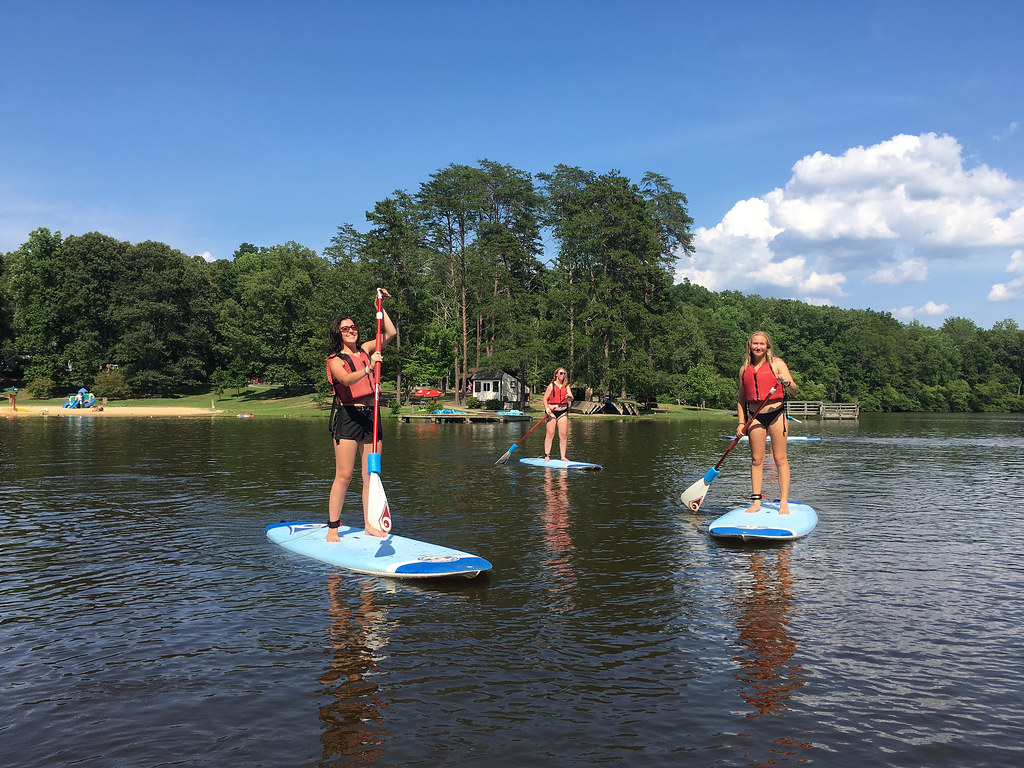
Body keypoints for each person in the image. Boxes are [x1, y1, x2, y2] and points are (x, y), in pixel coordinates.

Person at [325, 289, 397, 540]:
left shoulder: (366, 347)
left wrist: (379, 305)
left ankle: (370, 524)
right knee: (344, 475)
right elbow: (345, 379)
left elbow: (391, 332)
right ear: (338, 333)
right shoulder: (336, 359)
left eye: (353, 327)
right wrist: (369, 367)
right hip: (349, 416)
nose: (351, 330)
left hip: (371, 415)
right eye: (346, 328)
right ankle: (333, 527)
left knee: (371, 474)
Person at [736, 331, 797, 515]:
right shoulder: (744, 369)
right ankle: (756, 502)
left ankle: (784, 503)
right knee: (756, 460)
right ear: (750, 345)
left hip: (776, 414)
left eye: (762, 344)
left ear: (767, 346)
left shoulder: (777, 364)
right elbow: (741, 399)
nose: (758, 347)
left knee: (780, 459)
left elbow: (793, 390)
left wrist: (787, 383)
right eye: (755, 343)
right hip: (754, 416)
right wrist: (741, 422)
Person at [542, 367, 574, 461]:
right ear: (556, 374)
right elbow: (544, 399)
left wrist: (570, 397)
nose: (563, 375)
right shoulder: (551, 386)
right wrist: (547, 408)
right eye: (561, 373)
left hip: (563, 412)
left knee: (563, 435)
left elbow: (571, 398)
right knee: (550, 433)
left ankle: (563, 456)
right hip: (552, 412)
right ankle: (547, 455)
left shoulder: (566, 386)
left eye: (564, 373)